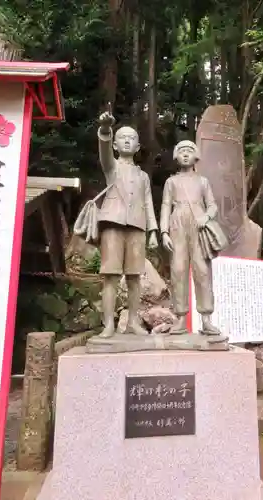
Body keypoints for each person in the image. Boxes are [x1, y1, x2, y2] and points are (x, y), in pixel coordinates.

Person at [97, 110, 158, 337]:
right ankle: (109, 325)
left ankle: (133, 322)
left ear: (138, 147)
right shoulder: (111, 167)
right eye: (122, 137)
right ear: (115, 144)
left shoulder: (143, 176)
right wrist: (105, 130)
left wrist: (153, 231)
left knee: (134, 276)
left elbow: (149, 203)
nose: (126, 140)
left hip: (137, 227)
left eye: (131, 138)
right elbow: (103, 154)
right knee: (110, 275)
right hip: (112, 223)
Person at [160, 140, 221, 335]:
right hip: (177, 225)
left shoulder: (203, 181)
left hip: (199, 227)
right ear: (176, 156)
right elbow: (165, 206)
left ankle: (206, 318)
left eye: (189, 151)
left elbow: (213, 205)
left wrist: (207, 216)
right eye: (181, 151)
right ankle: (180, 318)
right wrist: (163, 232)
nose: (185, 154)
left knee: (202, 271)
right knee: (178, 271)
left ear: (196, 156)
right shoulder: (171, 182)